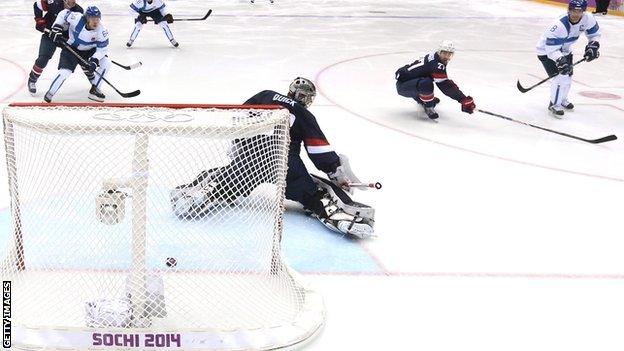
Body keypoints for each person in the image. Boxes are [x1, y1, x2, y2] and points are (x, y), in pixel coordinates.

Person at [169, 78, 375, 239]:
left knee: (226, 180)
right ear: (307, 98)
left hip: (250, 158)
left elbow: (239, 116)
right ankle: (343, 216)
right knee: (315, 193)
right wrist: (336, 173)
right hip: (285, 164)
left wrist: (238, 144)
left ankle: (198, 191)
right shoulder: (304, 115)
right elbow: (319, 152)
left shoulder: (266, 95)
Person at [536, 0, 601, 117]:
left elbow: (594, 34)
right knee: (559, 77)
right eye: (573, 10)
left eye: (579, 11)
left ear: (584, 11)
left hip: (565, 50)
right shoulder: (559, 26)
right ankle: (554, 105)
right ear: (568, 10)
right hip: (546, 51)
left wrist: (593, 46)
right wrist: (560, 60)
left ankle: (562, 100)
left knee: (568, 76)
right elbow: (551, 50)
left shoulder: (588, 19)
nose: (575, 14)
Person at [43, 6, 111, 103]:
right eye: (92, 19)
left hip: (90, 51)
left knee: (107, 63)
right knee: (65, 72)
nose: (96, 22)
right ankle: (49, 94)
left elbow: (102, 49)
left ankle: (94, 90)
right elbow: (63, 13)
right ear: (86, 18)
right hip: (71, 49)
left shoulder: (102, 30)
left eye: (97, 19)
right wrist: (57, 27)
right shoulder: (77, 18)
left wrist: (95, 60)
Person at [395, 40, 475, 120]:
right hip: (404, 86)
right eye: (444, 53)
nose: (446, 57)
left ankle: (423, 100)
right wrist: (463, 99)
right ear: (439, 52)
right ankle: (428, 107)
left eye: (449, 54)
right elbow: (446, 86)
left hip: (409, 82)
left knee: (426, 80)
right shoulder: (436, 65)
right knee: (426, 83)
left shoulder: (435, 56)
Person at [27, 0, 90, 95]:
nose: (73, 1)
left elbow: (80, 28)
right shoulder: (53, 3)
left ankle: (94, 82)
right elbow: (37, 5)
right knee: (43, 59)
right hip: (49, 36)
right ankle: (32, 80)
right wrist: (39, 20)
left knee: (81, 58)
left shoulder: (78, 10)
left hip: (66, 39)